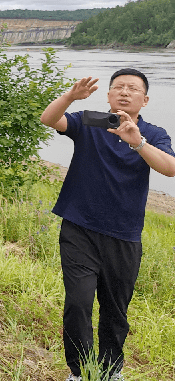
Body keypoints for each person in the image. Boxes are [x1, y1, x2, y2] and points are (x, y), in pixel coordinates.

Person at [40, 69, 175, 381]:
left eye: (132, 89)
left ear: (145, 99)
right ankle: (79, 372)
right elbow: (50, 119)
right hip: (79, 227)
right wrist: (70, 97)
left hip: (123, 235)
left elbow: (169, 169)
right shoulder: (93, 121)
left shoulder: (153, 134)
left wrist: (137, 142)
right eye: (118, 87)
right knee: (78, 302)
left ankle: (111, 371)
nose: (124, 93)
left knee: (115, 311)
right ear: (109, 95)